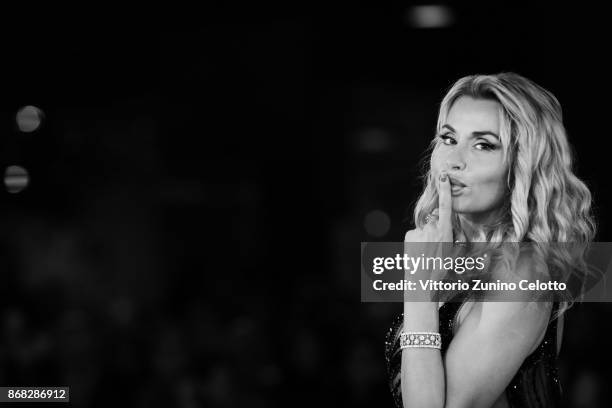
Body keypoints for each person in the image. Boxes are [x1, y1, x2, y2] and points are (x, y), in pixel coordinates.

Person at [384, 72, 596, 408]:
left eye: (483, 145)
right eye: (448, 139)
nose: (454, 161)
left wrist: (418, 287)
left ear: (522, 165)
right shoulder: (456, 255)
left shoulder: (524, 272)